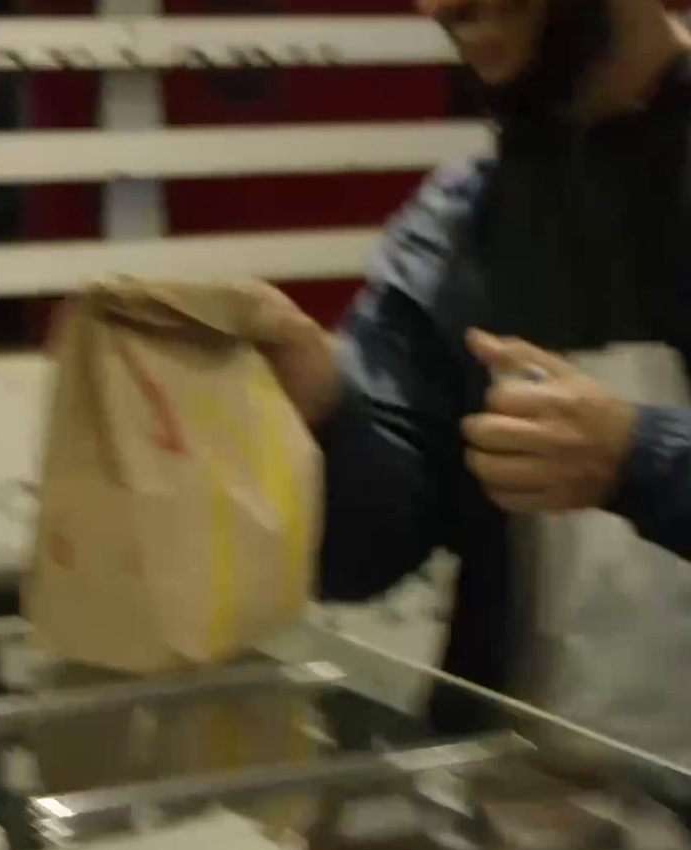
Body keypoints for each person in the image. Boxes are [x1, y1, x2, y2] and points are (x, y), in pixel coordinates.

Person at [245, 0, 691, 771]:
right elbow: (364, 555)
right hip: (531, 811)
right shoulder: (460, 225)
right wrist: (320, 406)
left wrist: (640, 456)